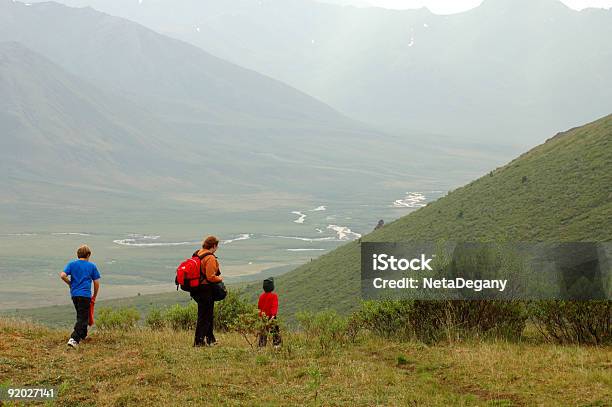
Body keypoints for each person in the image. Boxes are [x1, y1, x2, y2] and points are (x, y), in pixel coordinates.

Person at [59, 245, 100, 349]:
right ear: (88, 255)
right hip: (85, 295)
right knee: (83, 318)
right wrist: (94, 295)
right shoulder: (92, 266)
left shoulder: (72, 264)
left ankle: (83, 336)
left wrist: (70, 284)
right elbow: (96, 283)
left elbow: (63, 275)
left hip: (74, 294)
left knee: (81, 316)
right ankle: (74, 339)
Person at [191, 236, 222, 347]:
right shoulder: (210, 258)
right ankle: (198, 342)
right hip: (206, 289)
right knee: (205, 317)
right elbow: (211, 277)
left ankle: (210, 339)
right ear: (213, 246)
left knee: (205, 315)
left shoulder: (198, 253)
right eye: (216, 246)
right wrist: (220, 279)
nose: (217, 248)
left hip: (197, 289)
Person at [258, 277, 282, 348]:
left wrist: (260, 317)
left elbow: (259, 308)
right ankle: (277, 347)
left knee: (263, 334)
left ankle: (261, 348)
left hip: (263, 318)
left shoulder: (261, 296)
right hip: (271, 318)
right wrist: (272, 317)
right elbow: (274, 308)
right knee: (275, 333)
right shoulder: (274, 296)